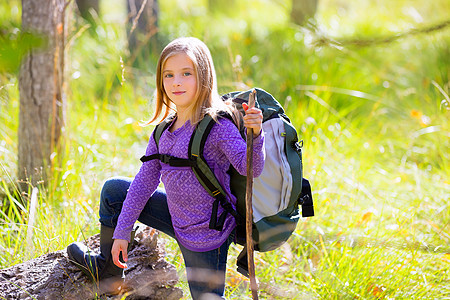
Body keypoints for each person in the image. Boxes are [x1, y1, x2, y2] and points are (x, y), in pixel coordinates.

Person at [67, 37, 265, 299]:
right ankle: (109, 270)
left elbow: (250, 169)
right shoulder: (163, 132)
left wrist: (256, 134)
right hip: (175, 216)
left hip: (206, 235)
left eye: (186, 73)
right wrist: (122, 232)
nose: (176, 82)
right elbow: (143, 183)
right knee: (114, 190)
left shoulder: (217, 125)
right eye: (168, 75)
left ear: (204, 76)